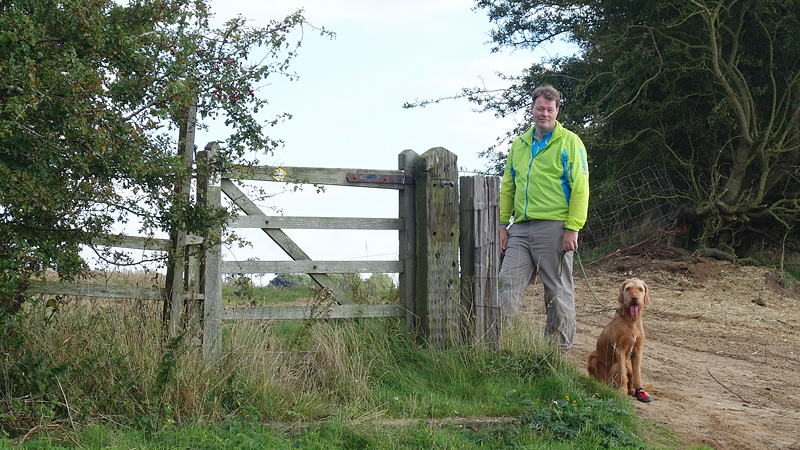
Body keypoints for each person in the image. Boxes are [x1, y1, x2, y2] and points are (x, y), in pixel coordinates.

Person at [498, 84, 589, 352]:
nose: (544, 114)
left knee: (557, 293)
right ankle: (501, 346)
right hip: (520, 229)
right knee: (505, 285)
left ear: (557, 110)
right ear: (532, 109)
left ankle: (555, 355)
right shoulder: (519, 145)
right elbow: (508, 186)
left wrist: (573, 228)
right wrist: (502, 224)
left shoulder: (570, 142)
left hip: (555, 229)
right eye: (540, 108)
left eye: (550, 109)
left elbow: (580, 188)